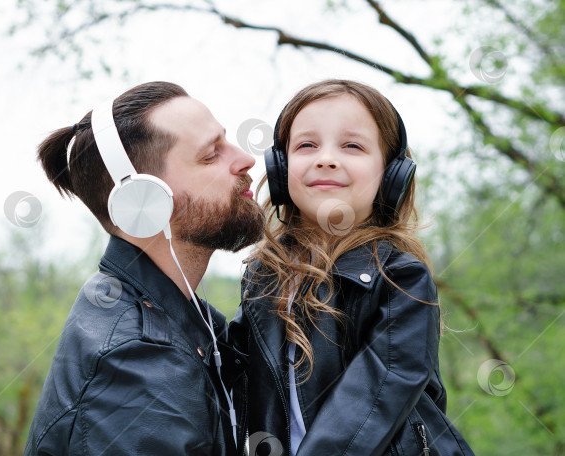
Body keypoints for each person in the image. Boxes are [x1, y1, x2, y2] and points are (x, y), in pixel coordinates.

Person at [230, 80, 475, 455]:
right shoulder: (262, 277)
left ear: (391, 176)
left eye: (352, 146)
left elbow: (378, 393)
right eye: (307, 145)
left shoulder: (401, 277)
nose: (326, 158)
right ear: (280, 169)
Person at [24, 81, 265, 456]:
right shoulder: (139, 365)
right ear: (145, 201)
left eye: (227, 141)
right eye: (211, 154)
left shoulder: (179, 322)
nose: (245, 159)